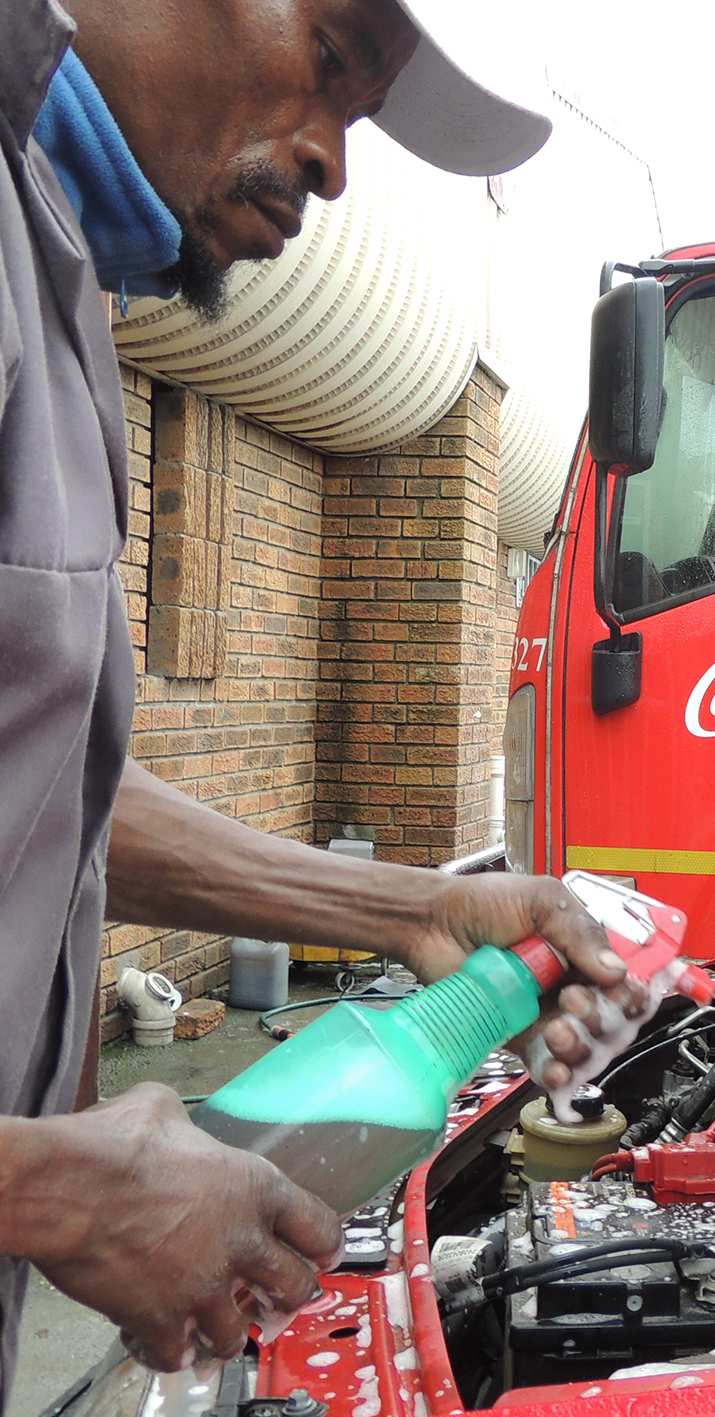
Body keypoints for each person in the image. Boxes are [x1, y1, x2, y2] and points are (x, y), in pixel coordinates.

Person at [0, 0, 643, 1392]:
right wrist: (44, 1188)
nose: (337, 163)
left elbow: (40, 788)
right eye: (336, 63)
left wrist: (409, 907)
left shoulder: (52, 274)